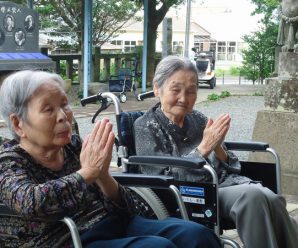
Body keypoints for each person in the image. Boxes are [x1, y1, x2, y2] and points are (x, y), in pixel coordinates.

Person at [0, 70, 221, 248]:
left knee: (196, 235)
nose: (63, 116)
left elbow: (128, 207)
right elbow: (31, 201)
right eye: (48, 109)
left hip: (112, 222)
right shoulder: (10, 161)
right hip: (68, 238)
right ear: (18, 124)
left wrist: (104, 175)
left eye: (64, 104)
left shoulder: (73, 147)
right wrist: (87, 173)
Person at [134, 55, 298, 248]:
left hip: (221, 182)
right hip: (191, 192)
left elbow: (233, 165)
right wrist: (203, 148)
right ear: (157, 89)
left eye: (191, 91)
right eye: (176, 89)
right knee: (253, 197)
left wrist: (218, 146)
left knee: (272, 199)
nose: (183, 98)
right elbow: (161, 178)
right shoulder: (145, 126)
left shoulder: (197, 118)